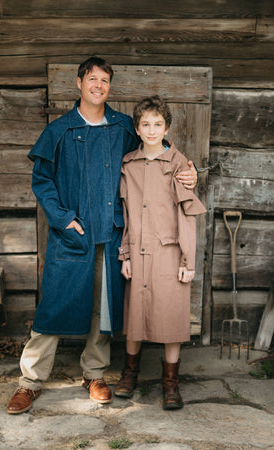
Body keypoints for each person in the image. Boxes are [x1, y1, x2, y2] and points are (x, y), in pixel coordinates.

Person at [7, 58, 198, 414]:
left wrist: (191, 172)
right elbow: (41, 180)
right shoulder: (59, 130)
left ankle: (94, 374)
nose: (98, 85)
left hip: (111, 233)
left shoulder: (124, 126)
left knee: (103, 308)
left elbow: (159, 146)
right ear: (79, 83)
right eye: (92, 78)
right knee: (54, 305)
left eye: (105, 80)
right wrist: (63, 220)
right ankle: (29, 381)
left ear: (110, 86)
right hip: (73, 234)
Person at [115, 96, 206, 410]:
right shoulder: (128, 164)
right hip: (137, 251)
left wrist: (188, 260)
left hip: (169, 253)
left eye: (157, 124)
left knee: (171, 318)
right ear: (137, 129)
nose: (151, 130)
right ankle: (130, 373)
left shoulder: (179, 163)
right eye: (145, 124)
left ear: (166, 127)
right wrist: (125, 254)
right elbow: (126, 213)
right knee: (135, 316)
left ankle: (171, 383)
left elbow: (187, 214)